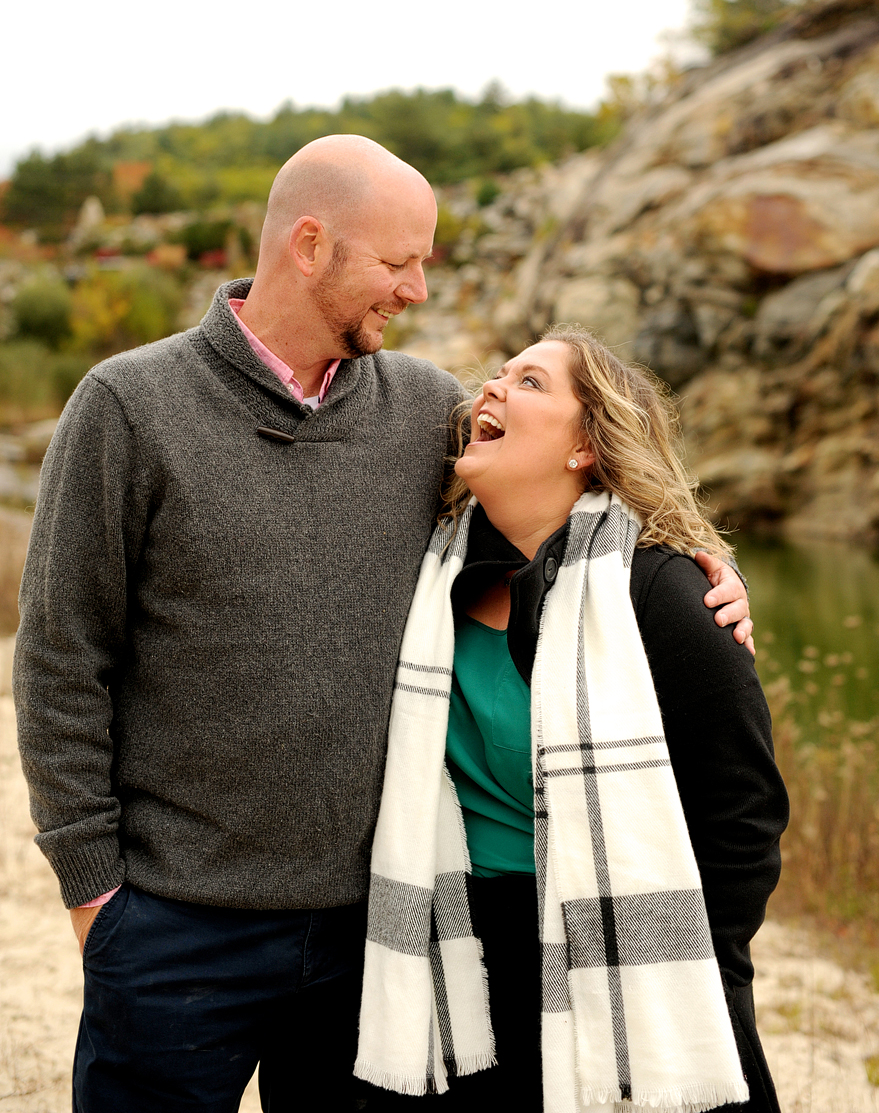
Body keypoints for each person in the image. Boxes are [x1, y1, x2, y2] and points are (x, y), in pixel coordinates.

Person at [13, 136, 753, 1113]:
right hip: (174, 930)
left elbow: (568, 481)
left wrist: (702, 562)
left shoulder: (422, 411)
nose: (415, 289)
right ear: (310, 245)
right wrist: (95, 896)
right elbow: (63, 662)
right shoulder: (128, 406)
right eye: (399, 262)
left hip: (376, 932)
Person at [355, 327, 788, 1112]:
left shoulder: (658, 596)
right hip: (455, 945)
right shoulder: (431, 574)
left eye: (529, 383)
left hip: (607, 948)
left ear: (585, 445)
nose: (489, 388)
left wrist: (680, 973)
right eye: (498, 374)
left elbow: (743, 820)